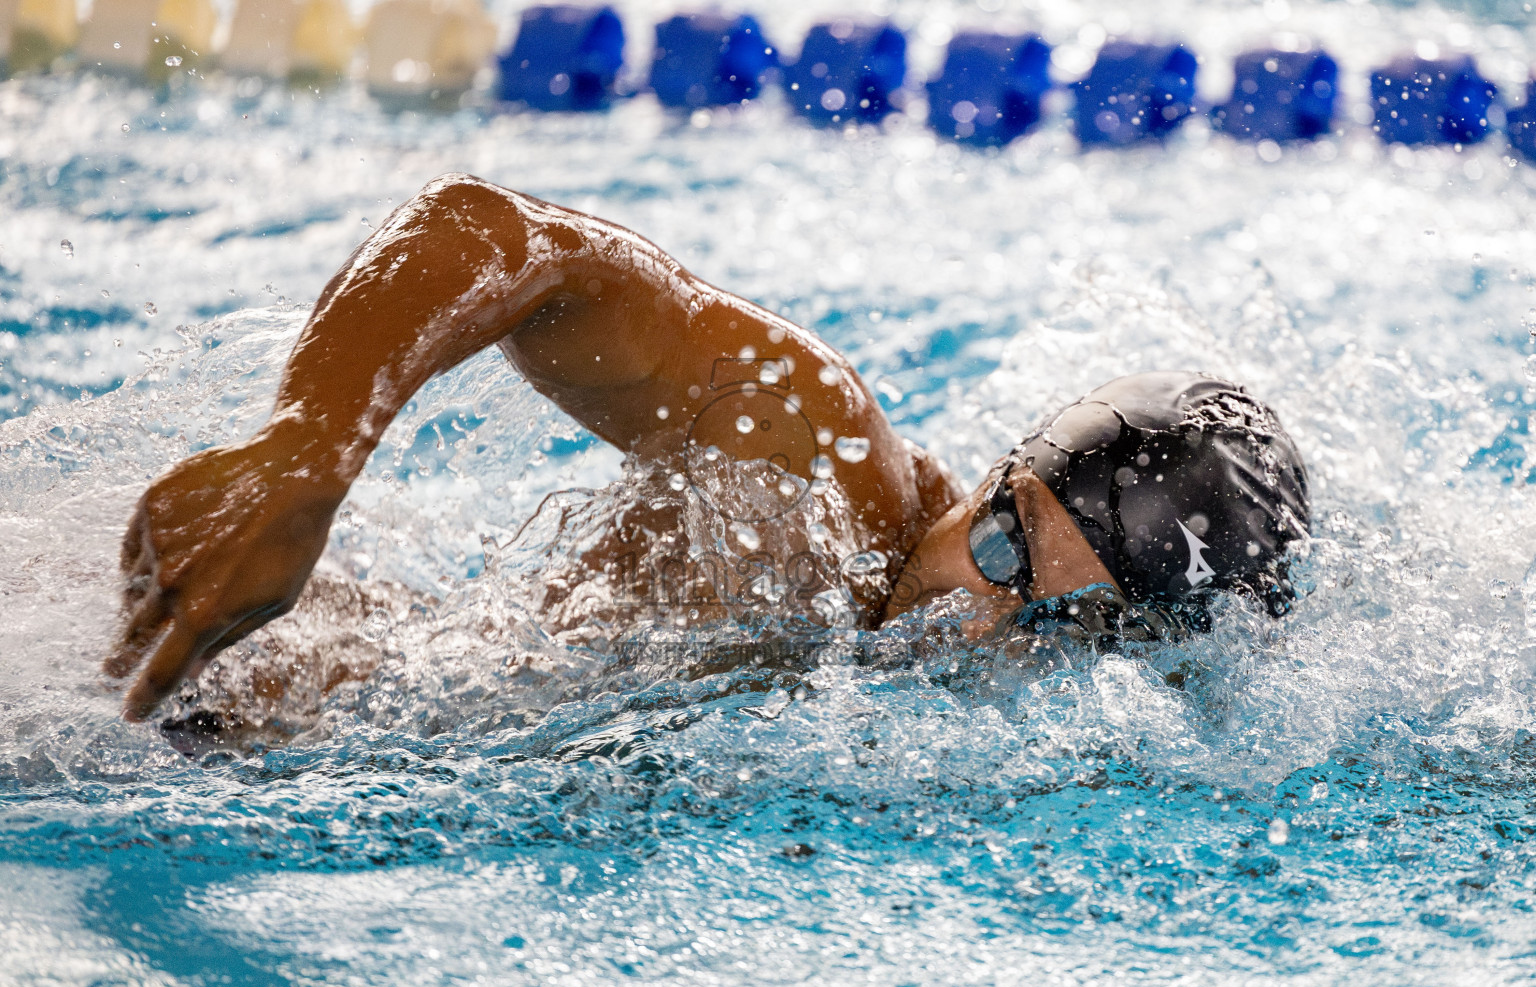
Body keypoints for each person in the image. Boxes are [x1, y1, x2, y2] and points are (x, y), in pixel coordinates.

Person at [105, 174, 1310, 722]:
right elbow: (498, 234)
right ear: (999, 474)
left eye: (1062, 626)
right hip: (205, 666)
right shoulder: (811, 464)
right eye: (1004, 551)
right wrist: (308, 447)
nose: (980, 623)